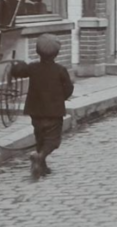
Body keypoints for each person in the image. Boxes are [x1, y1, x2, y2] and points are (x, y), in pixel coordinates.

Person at [10, 34, 74, 180]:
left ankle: (42, 166)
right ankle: (40, 157)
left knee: (40, 137)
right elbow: (68, 89)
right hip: (54, 112)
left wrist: (17, 64)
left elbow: (17, 72)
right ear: (57, 53)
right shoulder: (60, 70)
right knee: (53, 141)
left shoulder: (33, 68)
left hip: (36, 111)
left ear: (37, 51)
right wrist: (61, 98)